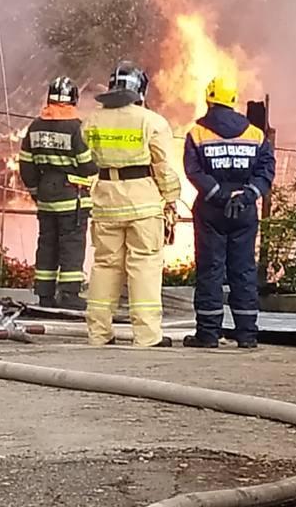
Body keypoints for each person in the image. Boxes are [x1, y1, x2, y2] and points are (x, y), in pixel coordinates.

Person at [82, 62, 180, 348]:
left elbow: (86, 161)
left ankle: (99, 333)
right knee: (144, 266)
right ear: (140, 89)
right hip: (143, 204)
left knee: (104, 265)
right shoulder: (152, 121)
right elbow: (162, 167)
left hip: (105, 201)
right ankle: (148, 336)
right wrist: (171, 199)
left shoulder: (92, 120)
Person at [181, 76, 275, 349]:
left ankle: (208, 335)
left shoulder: (197, 133)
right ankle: (247, 335)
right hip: (244, 210)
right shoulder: (255, 134)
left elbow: (193, 170)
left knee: (210, 270)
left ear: (209, 99)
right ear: (233, 101)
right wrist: (246, 196)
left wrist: (220, 196)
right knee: (244, 269)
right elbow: (266, 171)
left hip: (211, 209)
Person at [18, 76, 99, 311]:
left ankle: (44, 295)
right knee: (72, 245)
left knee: (47, 245)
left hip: (46, 195)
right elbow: (87, 165)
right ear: (73, 99)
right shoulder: (76, 128)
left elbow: (26, 164)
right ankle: (70, 294)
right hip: (71, 196)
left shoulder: (35, 126)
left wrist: (35, 191)